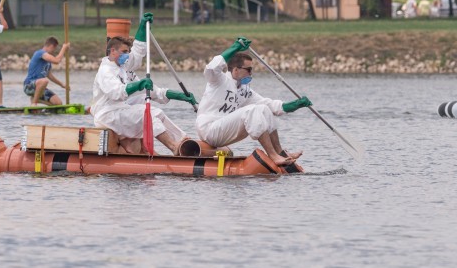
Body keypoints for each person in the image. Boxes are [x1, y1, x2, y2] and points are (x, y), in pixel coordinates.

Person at [91, 13, 196, 155]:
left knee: (157, 112)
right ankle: (173, 147)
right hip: (107, 115)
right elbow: (117, 92)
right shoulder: (105, 71)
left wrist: (179, 95)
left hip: (120, 111)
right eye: (124, 52)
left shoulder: (123, 68)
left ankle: (183, 141)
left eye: (128, 52)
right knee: (147, 114)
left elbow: (138, 55)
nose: (127, 55)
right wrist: (139, 85)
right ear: (113, 51)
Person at [196, 37, 312, 166]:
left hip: (224, 130)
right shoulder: (219, 80)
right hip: (209, 129)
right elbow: (211, 68)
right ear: (236, 70)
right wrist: (235, 47)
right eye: (248, 70)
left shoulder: (244, 91)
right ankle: (273, 156)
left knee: (264, 109)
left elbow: (271, 106)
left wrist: (296, 104)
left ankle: (281, 153)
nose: (251, 73)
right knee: (252, 110)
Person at [24, 36, 70, 105]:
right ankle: (34, 104)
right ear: (51, 46)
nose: (53, 51)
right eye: (54, 49)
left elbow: (50, 76)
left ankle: (35, 99)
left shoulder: (47, 62)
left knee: (58, 103)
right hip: (29, 85)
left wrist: (62, 85)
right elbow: (57, 61)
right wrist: (63, 48)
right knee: (44, 81)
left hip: (40, 87)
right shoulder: (40, 53)